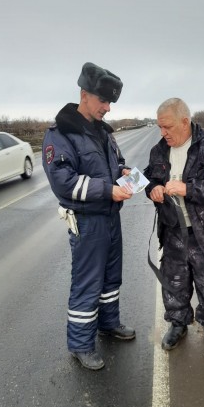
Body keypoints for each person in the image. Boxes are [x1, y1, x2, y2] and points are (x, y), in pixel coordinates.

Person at [42, 62, 135, 371]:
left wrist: (123, 173)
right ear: (85, 95)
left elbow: (116, 163)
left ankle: (109, 324)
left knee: (111, 279)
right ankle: (81, 344)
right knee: (87, 282)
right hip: (87, 222)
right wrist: (108, 190)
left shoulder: (104, 134)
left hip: (111, 219)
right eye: (103, 101)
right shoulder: (61, 134)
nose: (108, 108)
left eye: (111, 102)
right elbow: (64, 182)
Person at [144, 98, 204, 355]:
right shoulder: (159, 151)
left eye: (167, 127)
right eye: (159, 128)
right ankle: (177, 323)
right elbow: (149, 177)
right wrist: (152, 188)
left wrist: (189, 189)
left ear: (185, 122)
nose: (163, 133)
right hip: (174, 230)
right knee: (174, 282)